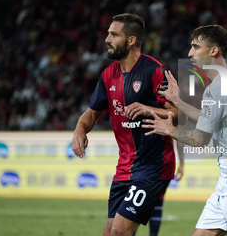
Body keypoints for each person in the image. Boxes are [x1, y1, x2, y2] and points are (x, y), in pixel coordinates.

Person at [142, 25, 227, 236]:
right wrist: (178, 102)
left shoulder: (217, 88)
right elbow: (212, 119)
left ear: (213, 51)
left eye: (195, 47)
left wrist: (168, 129)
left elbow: (199, 138)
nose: (189, 53)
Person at [72, 13, 179, 236]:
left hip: (153, 166)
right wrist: (79, 130)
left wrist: (149, 109)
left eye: (114, 34)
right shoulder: (108, 75)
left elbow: (179, 114)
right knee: (110, 232)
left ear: (131, 40)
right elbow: (90, 115)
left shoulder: (155, 70)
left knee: (120, 231)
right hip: (124, 168)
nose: (106, 39)